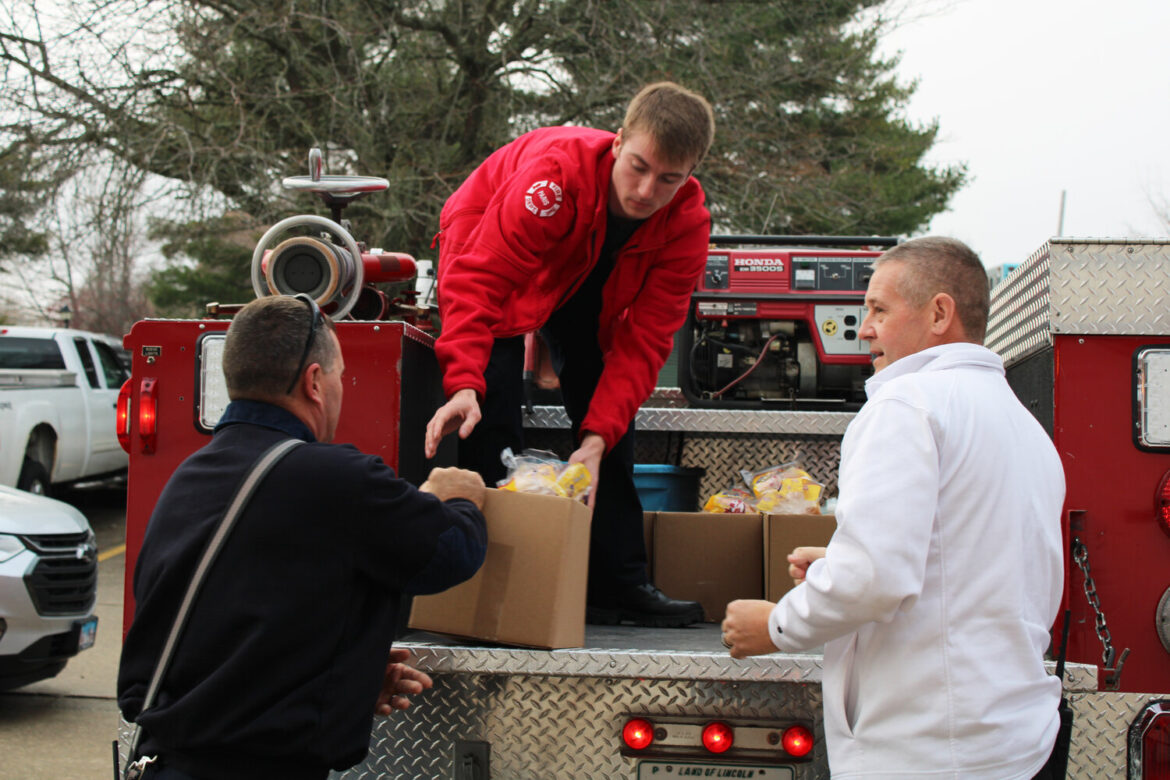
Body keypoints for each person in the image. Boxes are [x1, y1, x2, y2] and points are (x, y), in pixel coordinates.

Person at [722, 237, 1066, 779]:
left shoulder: (905, 405)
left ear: (939, 313)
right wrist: (840, 562)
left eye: (879, 309)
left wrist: (776, 625)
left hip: (925, 750)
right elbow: (976, 565)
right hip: (1015, 745)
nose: (863, 329)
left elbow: (876, 578)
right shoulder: (1024, 427)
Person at [117, 294, 488, 780]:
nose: (340, 389)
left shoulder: (187, 479)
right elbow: (451, 554)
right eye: (337, 376)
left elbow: (233, 625)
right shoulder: (335, 479)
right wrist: (460, 498)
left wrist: (340, 678)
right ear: (314, 382)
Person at [423, 82, 715, 627]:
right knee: (492, 412)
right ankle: (491, 583)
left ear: (692, 171)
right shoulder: (553, 179)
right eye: (638, 166)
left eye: (670, 178)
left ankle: (618, 583)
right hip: (493, 240)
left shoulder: (688, 225)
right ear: (618, 141)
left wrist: (597, 439)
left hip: (588, 272)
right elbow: (479, 278)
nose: (647, 191)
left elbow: (646, 342)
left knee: (610, 418)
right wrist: (463, 381)